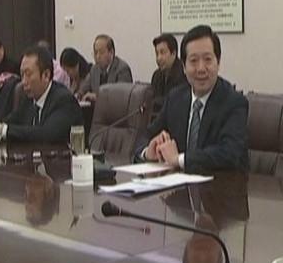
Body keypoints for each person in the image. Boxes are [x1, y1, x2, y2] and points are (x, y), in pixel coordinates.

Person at [135, 25, 248, 173]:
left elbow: (229, 153)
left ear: (218, 62)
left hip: (221, 185)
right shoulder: (175, 98)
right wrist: (148, 152)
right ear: (183, 66)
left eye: (208, 60)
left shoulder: (234, 102)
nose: (201, 68)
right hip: (177, 185)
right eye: (193, 61)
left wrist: (179, 159)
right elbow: (144, 136)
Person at [0, 46, 83, 143]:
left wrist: (3, 130)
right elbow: (10, 121)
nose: (23, 81)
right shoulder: (29, 99)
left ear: (46, 75)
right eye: (22, 75)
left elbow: (47, 134)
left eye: (28, 74)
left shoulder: (64, 100)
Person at [77, 34, 133, 102]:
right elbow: (83, 89)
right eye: (95, 53)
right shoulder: (94, 69)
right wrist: (79, 95)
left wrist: (96, 96)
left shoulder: (122, 69)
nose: (97, 56)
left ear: (111, 52)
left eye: (101, 52)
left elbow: (121, 97)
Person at [150, 33, 187, 109]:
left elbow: (175, 102)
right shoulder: (156, 75)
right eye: (157, 53)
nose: (159, 58)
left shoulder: (184, 74)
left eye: (162, 52)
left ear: (173, 53)